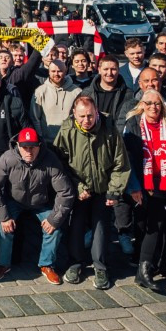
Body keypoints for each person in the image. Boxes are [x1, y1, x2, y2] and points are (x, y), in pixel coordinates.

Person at [53, 96, 135, 290]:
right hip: (78, 189)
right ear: (74, 114)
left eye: (90, 116)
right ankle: (75, 263)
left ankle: (100, 266)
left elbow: (120, 164)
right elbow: (60, 165)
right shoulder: (67, 131)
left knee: (101, 227)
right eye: (81, 116)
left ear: (96, 112)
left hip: (103, 188)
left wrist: (114, 191)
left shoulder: (109, 130)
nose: (86, 120)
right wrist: (78, 187)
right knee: (76, 226)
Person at [0, 127, 75, 282]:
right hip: (14, 201)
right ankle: (3, 264)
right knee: (4, 228)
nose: (29, 151)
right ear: (18, 146)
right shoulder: (8, 158)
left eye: (32, 147)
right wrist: (4, 217)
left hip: (41, 202)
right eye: (25, 147)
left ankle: (47, 264)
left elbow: (65, 192)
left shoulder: (50, 160)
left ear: (39, 145)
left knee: (54, 228)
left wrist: (54, 219)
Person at [120, 89, 166, 292]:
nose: (153, 107)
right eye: (149, 103)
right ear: (141, 105)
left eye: (157, 103)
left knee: (154, 226)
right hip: (139, 182)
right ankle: (141, 264)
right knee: (142, 225)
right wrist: (134, 186)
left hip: (162, 182)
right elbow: (125, 159)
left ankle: (144, 271)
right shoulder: (133, 125)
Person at [34, 60, 80, 142]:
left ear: (65, 72)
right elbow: (35, 118)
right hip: (47, 142)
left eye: (60, 71)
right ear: (48, 72)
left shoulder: (77, 92)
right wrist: (40, 138)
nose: (56, 74)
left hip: (69, 141)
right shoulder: (40, 92)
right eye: (53, 71)